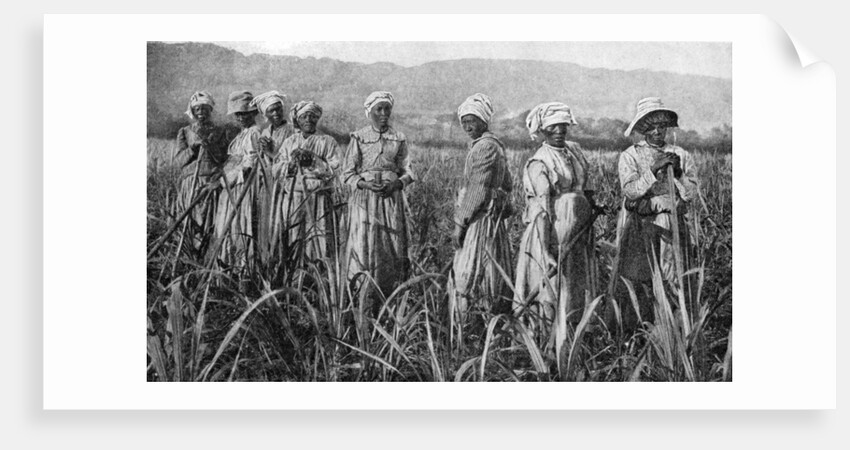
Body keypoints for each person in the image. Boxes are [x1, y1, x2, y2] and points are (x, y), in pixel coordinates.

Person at [514, 102, 599, 333]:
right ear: (543, 130)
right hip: (553, 232)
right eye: (553, 127)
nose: (560, 131)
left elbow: (585, 186)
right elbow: (542, 210)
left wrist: (591, 205)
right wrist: (545, 250)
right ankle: (548, 337)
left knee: (577, 283)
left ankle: (577, 333)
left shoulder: (574, 150)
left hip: (579, 230)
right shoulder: (539, 162)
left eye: (563, 126)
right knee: (554, 286)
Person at [613, 97, 697, 327]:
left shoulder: (680, 154)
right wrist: (652, 170)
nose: (658, 132)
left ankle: (675, 328)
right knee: (644, 276)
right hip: (643, 225)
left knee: (675, 276)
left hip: (674, 224)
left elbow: (690, 195)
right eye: (652, 127)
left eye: (662, 127)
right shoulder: (630, 155)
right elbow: (630, 192)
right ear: (643, 130)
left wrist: (678, 173)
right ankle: (644, 330)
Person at [342, 91, 415, 316]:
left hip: (391, 202)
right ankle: (362, 297)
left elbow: (408, 171)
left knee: (390, 246)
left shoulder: (398, 138)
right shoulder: (359, 138)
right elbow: (347, 173)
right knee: (364, 244)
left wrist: (395, 185)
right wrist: (365, 185)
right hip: (365, 201)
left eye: (387, 109)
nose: (383, 114)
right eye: (379, 110)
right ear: (370, 112)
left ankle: (389, 300)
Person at [448, 93, 514, 323]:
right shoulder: (494, 145)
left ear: (483, 121)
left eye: (472, 120)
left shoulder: (485, 148)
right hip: (491, 220)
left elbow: (477, 188)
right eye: (464, 121)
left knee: (472, 271)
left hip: (480, 221)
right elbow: (508, 183)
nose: (467, 126)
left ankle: (471, 325)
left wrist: (460, 223)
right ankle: (490, 322)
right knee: (492, 270)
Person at [273, 100, 341, 266]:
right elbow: (277, 168)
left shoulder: (327, 141)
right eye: (304, 116)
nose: (308, 120)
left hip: (317, 195)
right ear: (298, 120)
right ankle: (295, 273)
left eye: (312, 116)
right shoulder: (290, 142)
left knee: (318, 235)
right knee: (295, 233)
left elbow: (336, 168)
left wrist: (313, 160)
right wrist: (291, 164)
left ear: (317, 119)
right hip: (294, 196)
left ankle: (318, 273)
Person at [172, 91, 230, 251]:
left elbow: (224, 160)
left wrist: (211, 146)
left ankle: (207, 260)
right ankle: (189, 259)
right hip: (191, 183)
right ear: (192, 112)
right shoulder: (185, 132)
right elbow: (178, 162)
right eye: (197, 109)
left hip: (211, 183)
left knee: (210, 226)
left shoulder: (219, 132)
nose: (201, 113)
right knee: (190, 225)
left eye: (205, 109)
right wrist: (192, 148)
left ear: (211, 110)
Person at [213, 91, 263, 270]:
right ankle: (228, 267)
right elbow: (233, 160)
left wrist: (225, 180)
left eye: (245, 114)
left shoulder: (254, 133)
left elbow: (250, 163)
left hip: (242, 187)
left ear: (253, 114)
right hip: (230, 186)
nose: (241, 118)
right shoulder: (242, 134)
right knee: (227, 226)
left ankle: (243, 269)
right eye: (238, 114)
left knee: (240, 225)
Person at [250, 91, 294, 263]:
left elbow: (289, 160)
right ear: (265, 114)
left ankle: (283, 261)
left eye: (278, 109)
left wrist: (272, 152)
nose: (275, 113)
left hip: (284, 184)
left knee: (282, 223)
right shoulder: (264, 132)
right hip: (267, 184)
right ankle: (267, 262)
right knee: (266, 223)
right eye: (271, 111)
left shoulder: (291, 130)